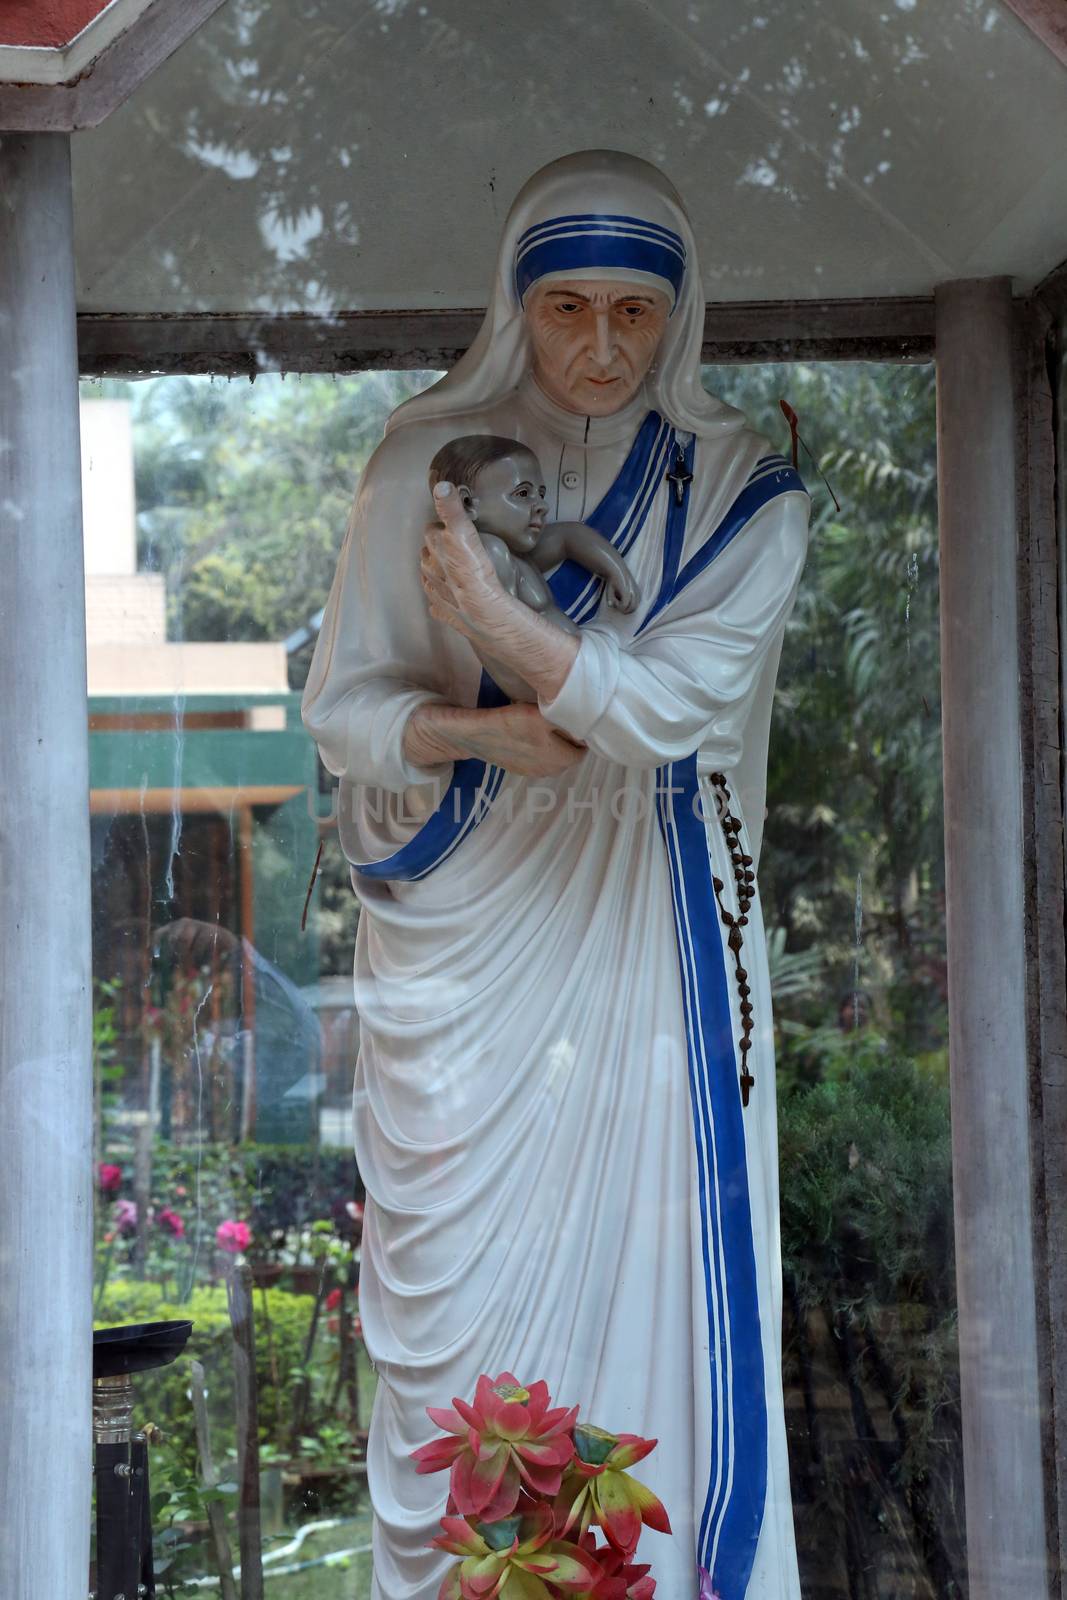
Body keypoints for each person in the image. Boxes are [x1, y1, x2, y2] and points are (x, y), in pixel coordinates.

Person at [302, 149, 810, 1600]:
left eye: (636, 313)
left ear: (682, 318)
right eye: (569, 305)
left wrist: (505, 629)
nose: (600, 345)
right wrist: (477, 728)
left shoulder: (744, 496)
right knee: (468, 1331)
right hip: (463, 949)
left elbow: (666, 710)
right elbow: (343, 716)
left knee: (653, 1296)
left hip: (646, 925)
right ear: (514, 308)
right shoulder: (420, 463)